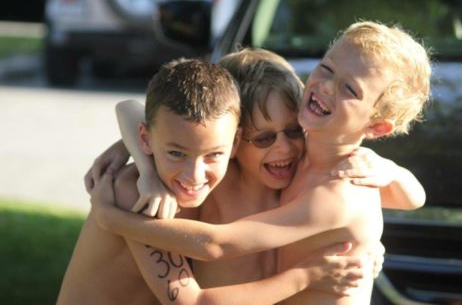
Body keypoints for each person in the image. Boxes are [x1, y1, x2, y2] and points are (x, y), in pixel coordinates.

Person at [89, 21, 431, 304]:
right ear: (234, 140)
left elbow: (216, 244)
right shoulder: (308, 151)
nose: (326, 86)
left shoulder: (339, 190)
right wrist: (138, 153)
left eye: (349, 89)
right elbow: (133, 108)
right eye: (326, 68)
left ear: (376, 127)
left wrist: (116, 220)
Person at [57, 58, 366, 305]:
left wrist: (361, 245)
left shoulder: (261, 181)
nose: (283, 147)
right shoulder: (139, 194)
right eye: (264, 137)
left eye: (295, 131)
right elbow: (131, 109)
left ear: (231, 141)